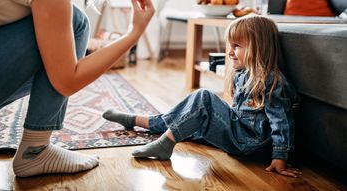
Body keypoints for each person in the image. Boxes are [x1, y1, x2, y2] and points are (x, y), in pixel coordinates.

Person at [0, 0, 154, 177]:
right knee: (76, 22)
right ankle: (35, 151)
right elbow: (67, 81)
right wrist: (133, 33)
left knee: (49, 31)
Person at [103, 15, 302, 178]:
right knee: (187, 119)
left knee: (203, 98)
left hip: (249, 142)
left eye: (237, 46)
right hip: (239, 133)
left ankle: (165, 144)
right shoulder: (244, 73)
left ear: (259, 48)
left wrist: (280, 157)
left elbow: (282, 121)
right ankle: (135, 120)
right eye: (229, 46)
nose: (230, 52)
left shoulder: (271, 81)